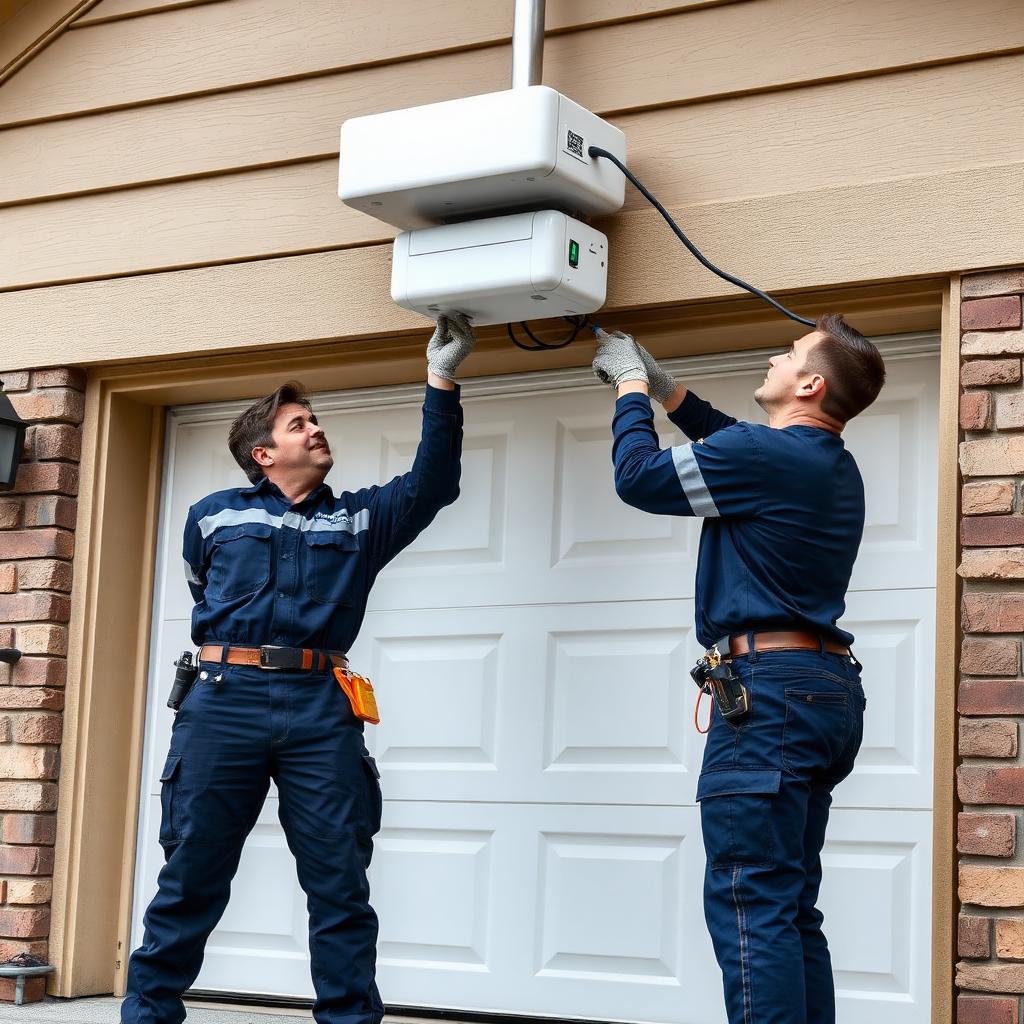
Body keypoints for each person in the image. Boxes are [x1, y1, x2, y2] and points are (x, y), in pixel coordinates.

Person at [122, 315, 477, 1024]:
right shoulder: (212, 515)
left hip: (321, 705)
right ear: (263, 452)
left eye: (315, 421)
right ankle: (148, 1015)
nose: (316, 430)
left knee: (339, 882)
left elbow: (434, 482)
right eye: (298, 424)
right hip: (223, 700)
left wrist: (441, 379)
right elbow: (202, 590)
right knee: (191, 876)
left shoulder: (361, 520)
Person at [591, 316, 886, 1024]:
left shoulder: (765, 456)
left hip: (771, 701)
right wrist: (670, 392)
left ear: (810, 384)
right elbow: (734, 445)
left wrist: (632, 388)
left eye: (788, 354)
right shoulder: (825, 462)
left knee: (750, 902)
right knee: (787, 905)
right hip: (823, 693)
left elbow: (638, 478)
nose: (772, 357)